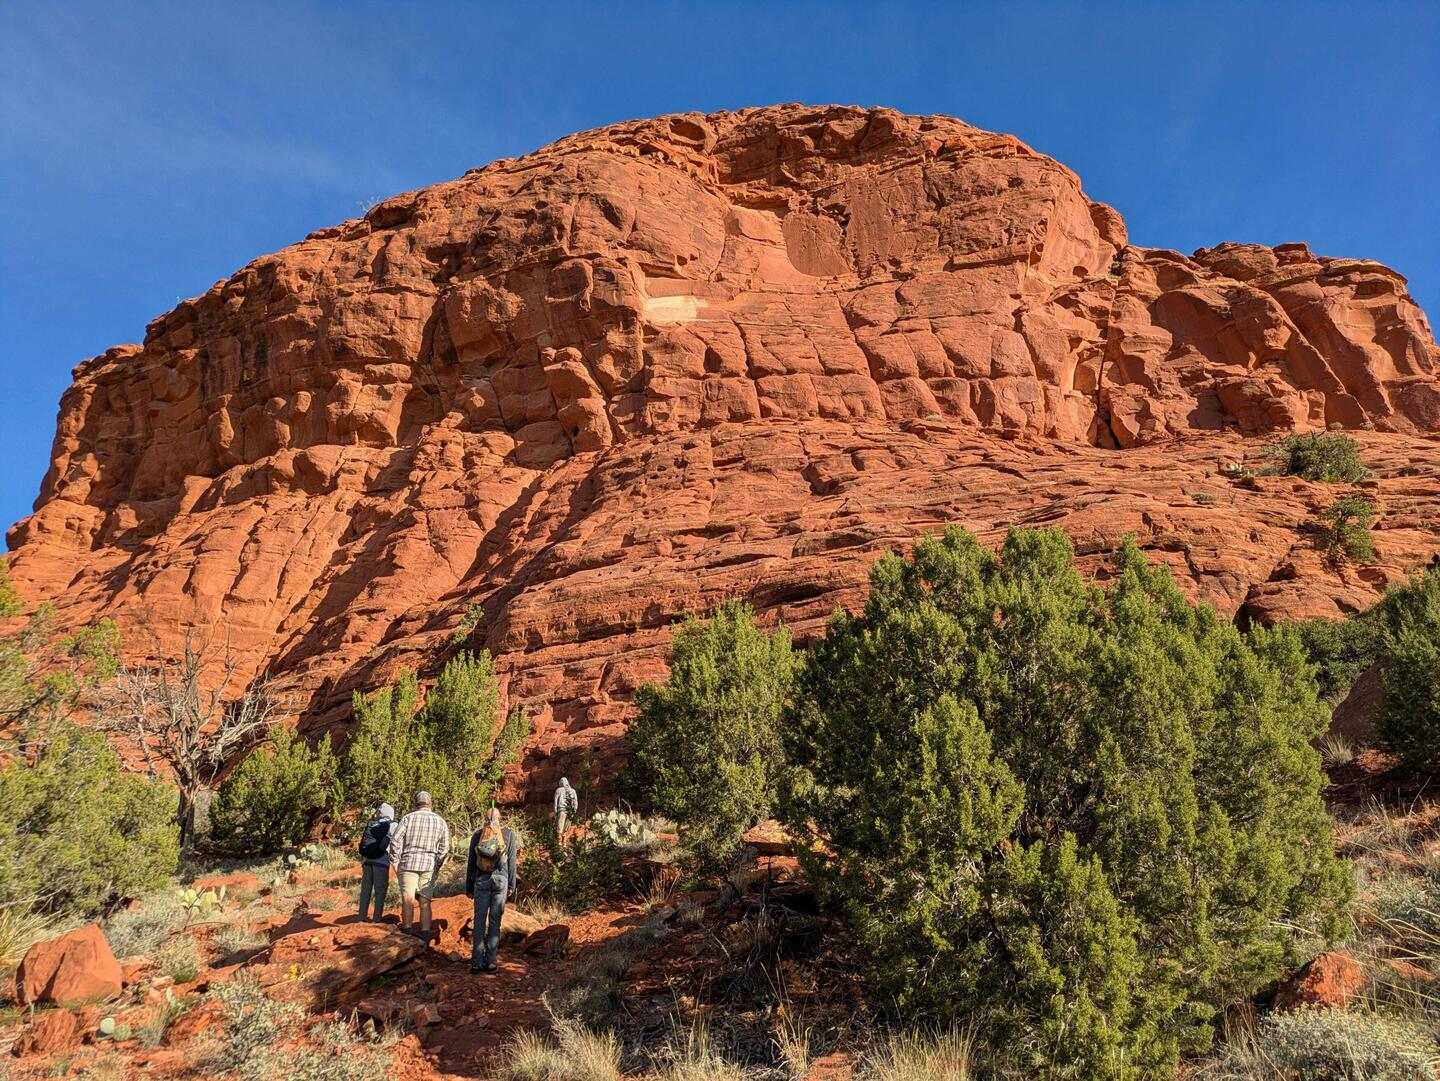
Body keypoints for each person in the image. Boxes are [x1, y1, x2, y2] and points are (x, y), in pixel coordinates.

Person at [388, 791, 449, 940]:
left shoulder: (408, 818)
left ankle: (407, 934)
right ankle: (425, 937)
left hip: (408, 862)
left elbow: (395, 840)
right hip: (429, 864)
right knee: (425, 902)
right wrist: (437, 865)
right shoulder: (440, 821)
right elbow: (445, 847)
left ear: (416, 804)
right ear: (430, 803)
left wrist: (395, 860)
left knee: (407, 899)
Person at [465, 807, 519, 974]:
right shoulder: (508, 835)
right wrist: (512, 885)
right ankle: (491, 962)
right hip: (501, 881)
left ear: (485, 819)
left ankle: (476, 962)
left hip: (481, 880)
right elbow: (512, 863)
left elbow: (472, 862)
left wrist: (469, 886)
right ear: (499, 819)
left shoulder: (477, 835)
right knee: (495, 921)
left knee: (479, 921)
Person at [357, 802, 395, 923]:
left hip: (367, 861)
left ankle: (361, 918)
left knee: (365, 890)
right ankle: (376, 919)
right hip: (382, 861)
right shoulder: (393, 825)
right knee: (380, 890)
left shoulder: (371, 824)